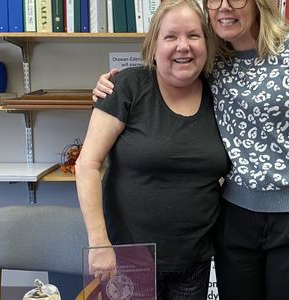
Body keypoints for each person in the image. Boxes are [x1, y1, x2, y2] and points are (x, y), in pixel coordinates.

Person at [92, 0, 289, 299]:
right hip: (235, 224)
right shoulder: (215, 60)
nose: (224, 7)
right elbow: (168, 77)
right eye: (214, 0)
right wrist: (110, 87)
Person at [75, 1, 230, 299]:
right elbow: (87, 165)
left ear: (207, 43)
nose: (183, 46)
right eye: (171, 36)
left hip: (194, 260)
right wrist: (99, 242)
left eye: (194, 36)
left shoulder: (219, 93)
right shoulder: (126, 87)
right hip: (130, 260)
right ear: (154, 44)